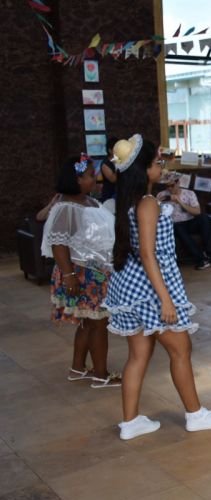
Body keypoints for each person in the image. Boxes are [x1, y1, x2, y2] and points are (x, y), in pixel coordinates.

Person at [103, 134, 211, 440]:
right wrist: (166, 300)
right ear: (144, 170)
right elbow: (148, 254)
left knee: (138, 355)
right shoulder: (147, 204)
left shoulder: (132, 201)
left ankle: (131, 422)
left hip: (130, 285)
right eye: (158, 163)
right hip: (149, 288)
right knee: (181, 348)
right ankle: (195, 414)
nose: (162, 167)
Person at [41, 154, 119, 388]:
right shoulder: (66, 207)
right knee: (98, 324)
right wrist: (69, 275)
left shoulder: (89, 201)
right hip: (81, 272)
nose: (96, 179)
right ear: (75, 179)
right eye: (89, 176)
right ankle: (101, 375)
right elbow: (58, 243)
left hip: (95, 270)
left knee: (89, 321)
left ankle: (77, 368)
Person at [156, 175, 211, 270]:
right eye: (167, 186)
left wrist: (179, 202)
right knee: (178, 227)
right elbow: (156, 212)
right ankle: (200, 260)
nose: (169, 188)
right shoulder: (161, 195)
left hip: (190, 222)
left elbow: (197, 211)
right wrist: (159, 202)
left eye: (172, 185)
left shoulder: (189, 193)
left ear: (178, 183)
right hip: (174, 225)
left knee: (204, 217)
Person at [100, 137, 119, 202]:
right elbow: (113, 179)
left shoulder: (120, 160)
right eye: (116, 148)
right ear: (110, 150)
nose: (119, 150)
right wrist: (118, 165)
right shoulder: (105, 164)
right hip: (109, 195)